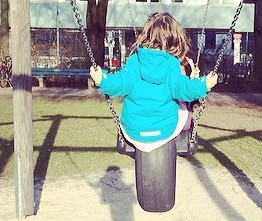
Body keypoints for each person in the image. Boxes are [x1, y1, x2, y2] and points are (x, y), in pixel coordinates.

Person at [90, 12, 218, 152]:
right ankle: (188, 136)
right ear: (174, 39)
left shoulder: (134, 61)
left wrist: (101, 78)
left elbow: (118, 83)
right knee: (184, 110)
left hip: (133, 132)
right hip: (165, 131)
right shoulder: (172, 64)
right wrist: (204, 84)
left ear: (146, 35)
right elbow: (183, 89)